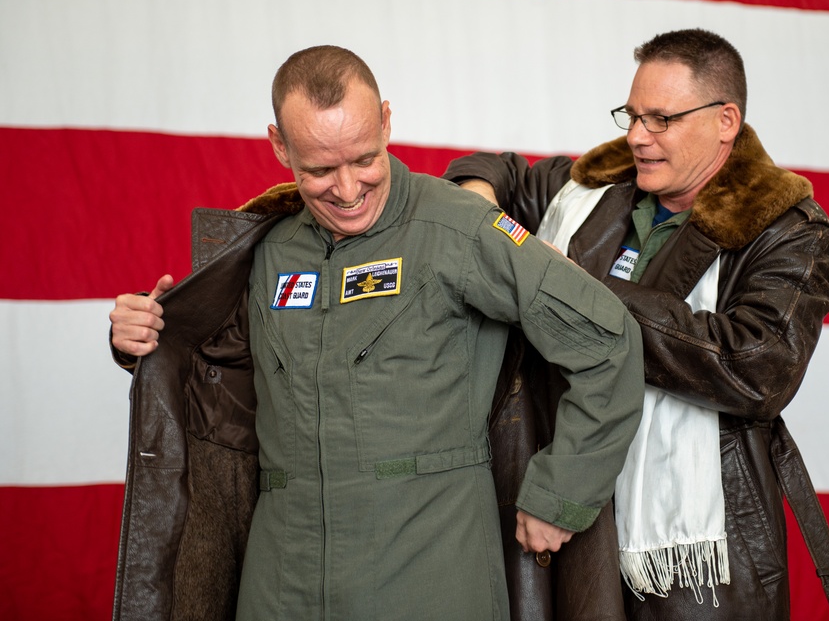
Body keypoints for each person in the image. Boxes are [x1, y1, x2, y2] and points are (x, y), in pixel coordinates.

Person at [108, 45, 645, 621]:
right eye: (318, 169)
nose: (346, 190)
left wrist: (562, 494)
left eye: (364, 159)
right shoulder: (266, 248)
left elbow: (607, 338)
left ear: (387, 121)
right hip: (280, 579)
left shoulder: (459, 228)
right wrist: (142, 335)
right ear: (279, 145)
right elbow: (213, 371)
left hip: (429, 572)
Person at [442, 28, 829, 620]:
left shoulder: (787, 228)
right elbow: (497, 173)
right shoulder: (590, 189)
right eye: (631, 114)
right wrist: (474, 201)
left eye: (661, 119)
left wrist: (579, 294)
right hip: (562, 514)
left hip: (694, 560)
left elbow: (760, 368)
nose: (635, 137)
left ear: (725, 120)